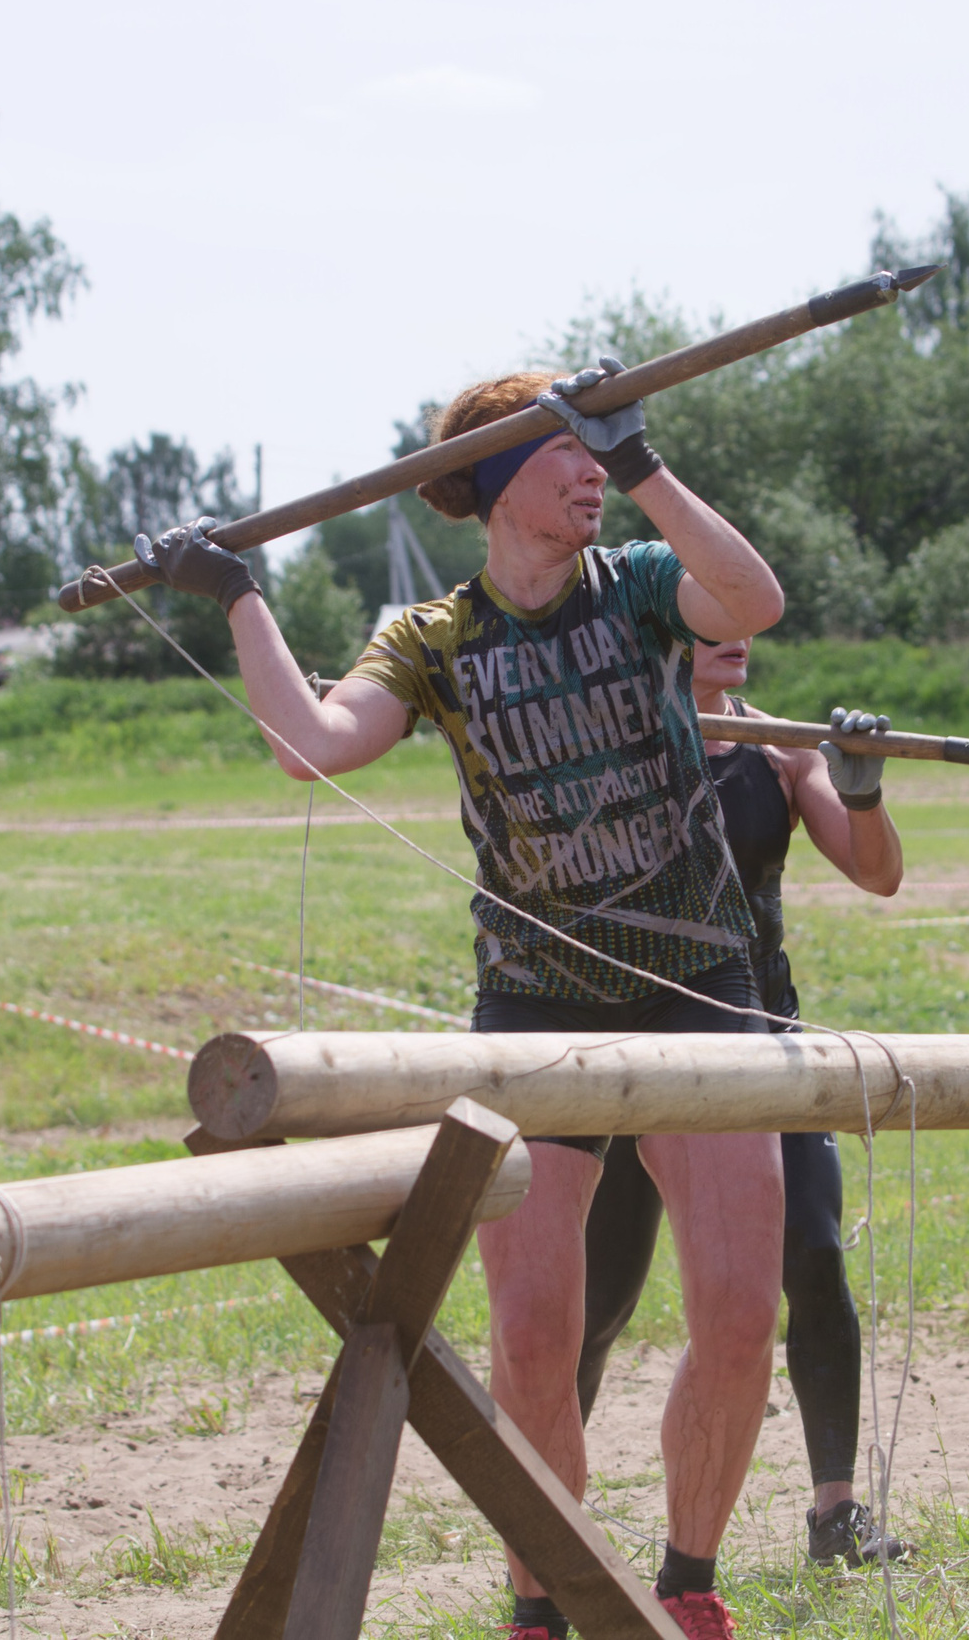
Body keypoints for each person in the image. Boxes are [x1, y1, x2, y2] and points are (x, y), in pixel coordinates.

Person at [133, 360, 786, 1638]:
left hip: (699, 984)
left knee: (736, 1315)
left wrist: (644, 454)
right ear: (495, 481)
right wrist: (238, 599)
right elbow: (310, 746)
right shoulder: (431, 641)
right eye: (568, 455)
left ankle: (687, 1587)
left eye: (601, 454)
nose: (591, 473)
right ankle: (547, 1604)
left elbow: (752, 597)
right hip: (533, 1011)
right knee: (531, 1345)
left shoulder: (646, 588)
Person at [575, 637, 914, 1568]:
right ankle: (545, 1524)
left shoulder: (783, 750)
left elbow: (878, 872)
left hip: (765, 1043)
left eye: (746, 618)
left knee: (813, 1253)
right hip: (637, 1057)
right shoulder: (620, 744)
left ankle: (835, 1513)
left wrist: (862, 788)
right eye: (711, 617)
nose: (738, 638)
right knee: (599, 1297)